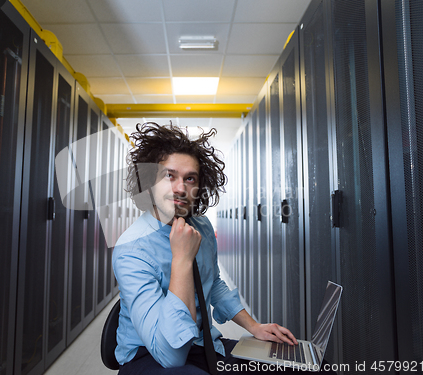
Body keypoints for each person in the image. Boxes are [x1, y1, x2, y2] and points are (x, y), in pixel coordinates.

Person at [112, 123, 310, 374]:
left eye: (190, 178)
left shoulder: (201, 226)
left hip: (202, 345)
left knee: (302, 366)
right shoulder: (132, 250)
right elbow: (169, 355)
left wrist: (254, 327)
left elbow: (212, 282)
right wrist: (181, 260)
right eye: (169, 176)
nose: (181, 188)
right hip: (150, 355)